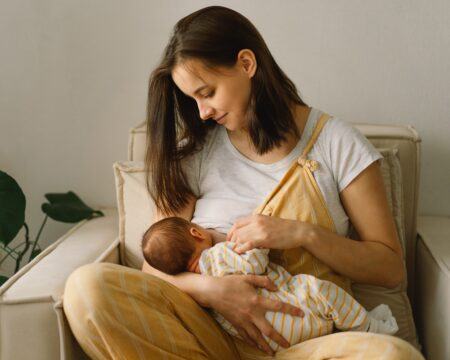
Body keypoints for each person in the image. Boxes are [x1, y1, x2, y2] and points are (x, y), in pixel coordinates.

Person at [63, 5, 425, 359]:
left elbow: (389, 267)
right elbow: (153, 267)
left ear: (246, 64)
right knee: (86, 289)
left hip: (303, 342)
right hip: (206, 336)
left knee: (391, 354)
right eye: (193, 100)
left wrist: (302, 234)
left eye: (207, 92)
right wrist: (213, 291)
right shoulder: (200, 152)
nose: (202, 111)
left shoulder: (337, 144)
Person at [141, 216, 399, 352]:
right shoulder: (218, 256)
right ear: (196, 232)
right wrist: (256, 242)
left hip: (266, 339)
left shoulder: (194, 283)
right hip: (289, 313)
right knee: (321, 291)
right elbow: (252, 264)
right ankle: (368, 326)